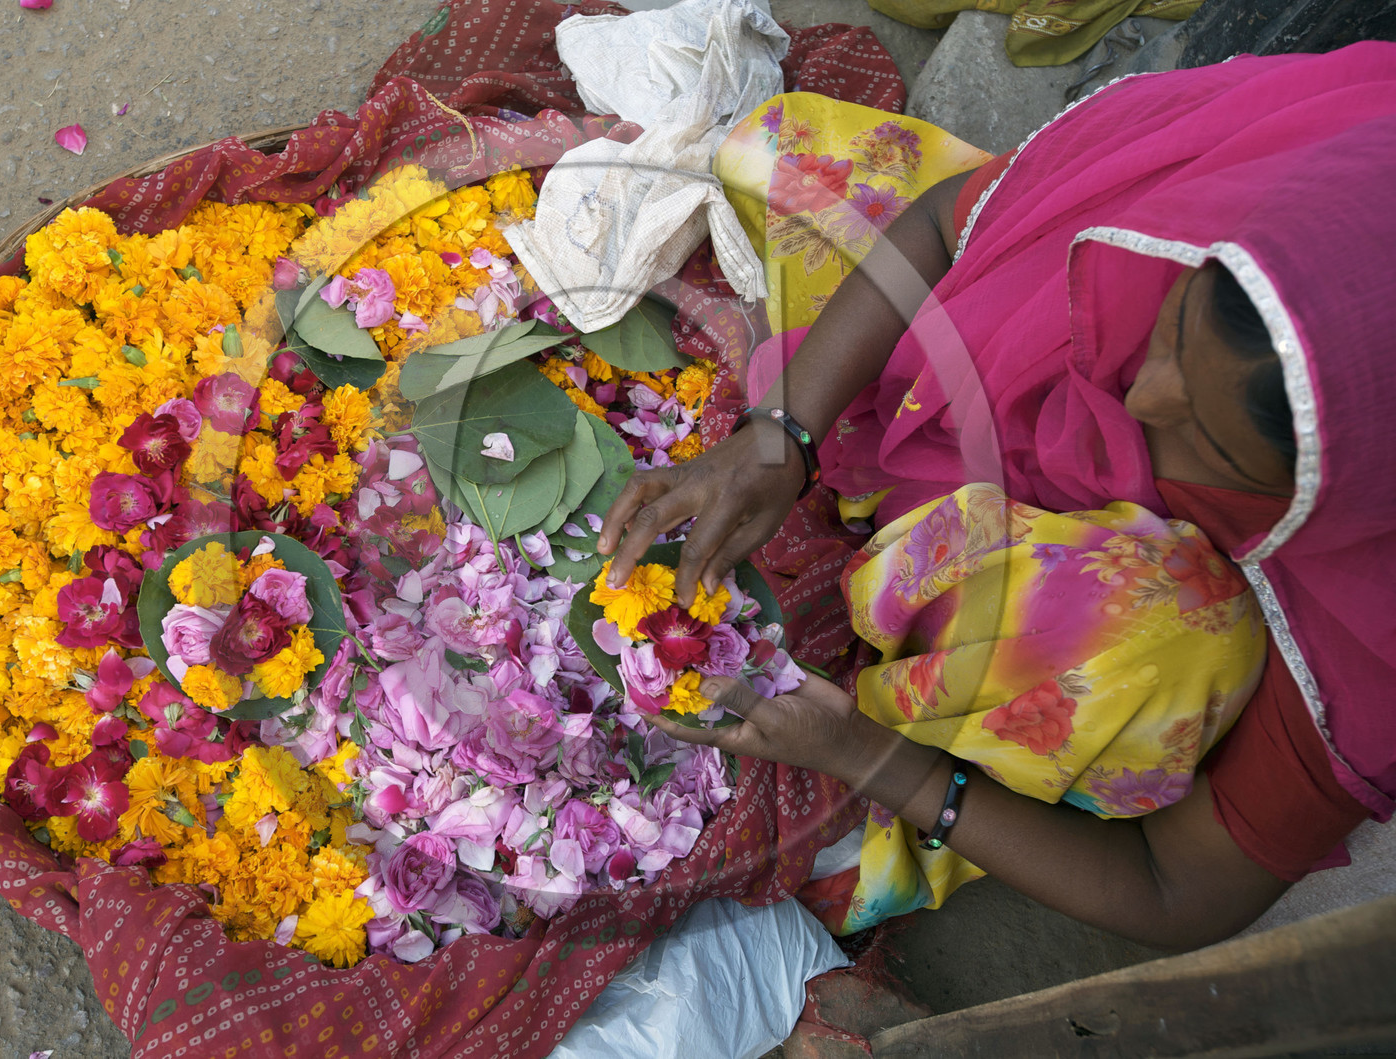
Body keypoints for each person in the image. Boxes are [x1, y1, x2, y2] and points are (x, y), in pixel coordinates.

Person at [596, 43, 1396, 950]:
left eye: (1205, 441)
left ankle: (960, 686)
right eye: (1174, 323)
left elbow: (1176, 891)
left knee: (1143, 638)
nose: (1136, 397)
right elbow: (939, 225)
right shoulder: (1298, 164)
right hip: (966, 408)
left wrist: (868, 758)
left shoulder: (1371, 657)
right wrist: (786, 433)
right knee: (779, 152)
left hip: (1106, 597)